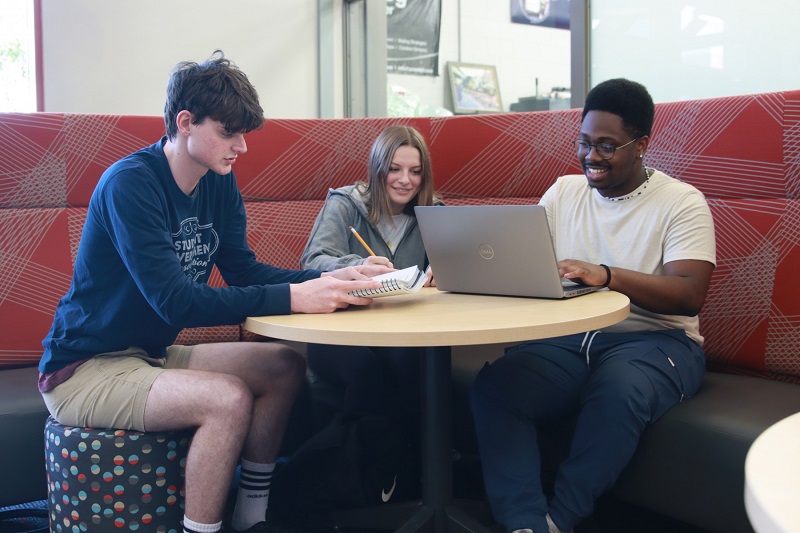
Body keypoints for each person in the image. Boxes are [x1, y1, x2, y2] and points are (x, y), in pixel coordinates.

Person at [38, 51, 391, 533]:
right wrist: (295, 298)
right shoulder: (131, 185)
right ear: (185, 122)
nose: (241, 147)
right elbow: (175, 300)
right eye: (228, 132)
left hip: (146, 355)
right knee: (225, 399)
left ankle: (253, 517)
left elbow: (243, 269)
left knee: (283, 365)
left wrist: (327, 280)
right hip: (85, 368)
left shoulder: (217, 180)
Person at [469, 78, 716, 533]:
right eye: (584, 142)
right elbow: (524, 259)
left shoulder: (682, 202)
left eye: (606, 146)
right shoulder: (564, 192)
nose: (591, 157)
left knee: (618, 390)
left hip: (656, 339)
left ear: (641, 144)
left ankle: (559, 520)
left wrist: (607, 275)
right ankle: (524, 523)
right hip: (570, 338)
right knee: (497, 387)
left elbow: (688, 293)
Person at [299, 124, 440, 440]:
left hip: (405, 332)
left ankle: (406, 472)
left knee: (415, 364)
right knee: (369, 371)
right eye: (394, 169)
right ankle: (363, 469)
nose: (405, 180)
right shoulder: (345, 203)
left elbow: (461, 269)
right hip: (342, 332)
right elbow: (311, 262)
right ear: (378, 169)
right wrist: (359, 265)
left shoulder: (435, 213)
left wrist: (446, 272)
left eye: (415, 172)